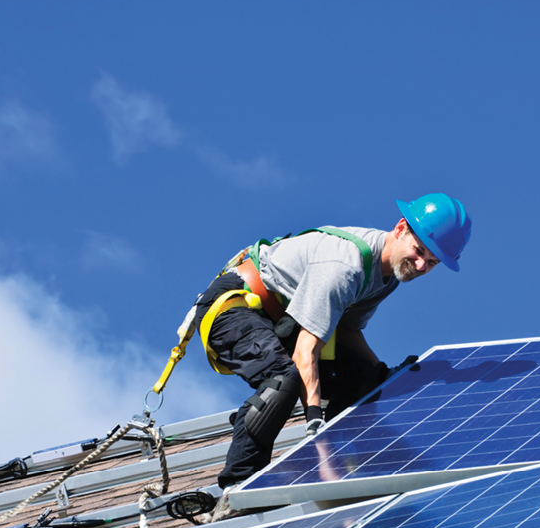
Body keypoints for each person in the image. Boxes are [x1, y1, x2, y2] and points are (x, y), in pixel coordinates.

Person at [195, 193, 472, 501]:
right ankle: (238, 489)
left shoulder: (388, 275)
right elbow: (305, 353)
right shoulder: (346, 265)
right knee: (284, 381)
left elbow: (348, 329)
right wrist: (314, 419)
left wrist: (381, 372)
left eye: (432, 262)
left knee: (366, 378)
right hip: (232, 307)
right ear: (400, 228)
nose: (421, 265)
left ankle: (346, 462)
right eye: (418, 251)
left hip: (282, 322)